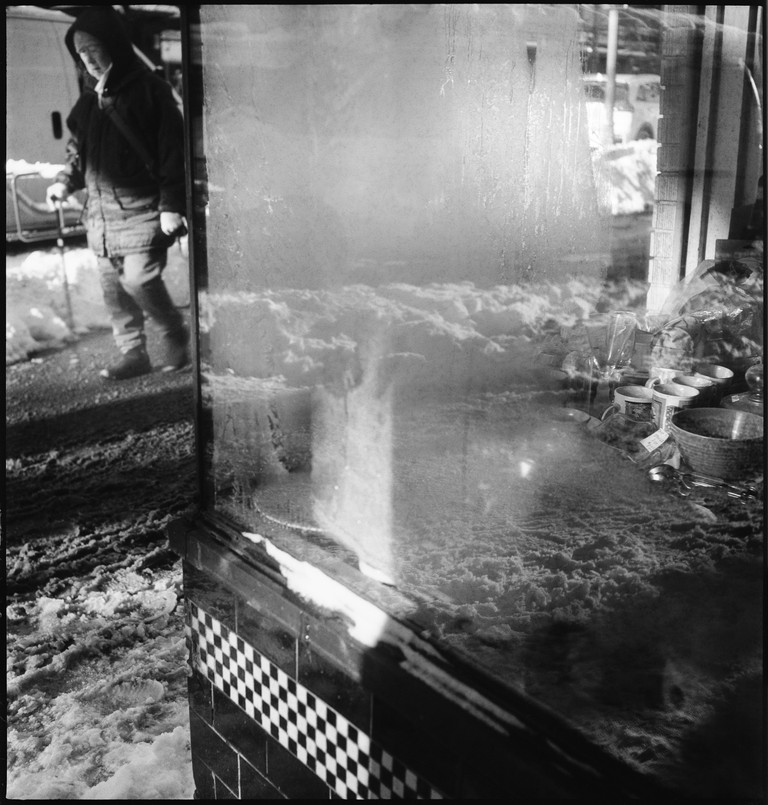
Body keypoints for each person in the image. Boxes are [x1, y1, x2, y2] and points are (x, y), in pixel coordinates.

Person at [46, 6, 189, 380]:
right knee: (114, 291)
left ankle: (174, 332)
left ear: (115, 45)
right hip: (102, 215)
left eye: (95, 48)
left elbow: (175, 153)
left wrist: (172, 205)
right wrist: (64, 181)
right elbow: (79, 152)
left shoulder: (151, 91)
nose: (89, 60)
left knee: (139, 280)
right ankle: (133, 353)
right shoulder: (88, 100)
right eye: (82, 54)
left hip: (145, 209)